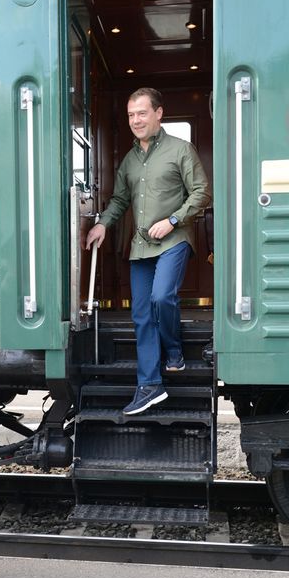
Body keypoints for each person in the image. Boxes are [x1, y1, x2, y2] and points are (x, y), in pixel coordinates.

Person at [86, 87, 211, 415]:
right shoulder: (129, 160)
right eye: (131, 115)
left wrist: (172, 220)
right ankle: (150, 385)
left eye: (142, 113)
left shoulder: (181, 149)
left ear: (159, 113)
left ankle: (174, 353)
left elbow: (201, 193)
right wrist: (103, 224)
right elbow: (120, 200)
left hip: (174, 240)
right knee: (141, 315)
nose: (135, 120)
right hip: (140, 247)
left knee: (161, 298)